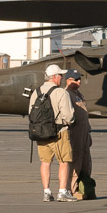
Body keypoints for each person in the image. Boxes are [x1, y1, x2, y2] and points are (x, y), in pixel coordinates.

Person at [31, 63, 76, 202]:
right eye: (60, 75)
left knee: (45, 162)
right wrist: (70, 122)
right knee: (64, 161)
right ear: (54, 77)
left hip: (41, 133)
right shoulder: (61, 92)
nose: (62, 78)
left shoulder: (36, 92)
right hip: (59, 132)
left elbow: (31, 112)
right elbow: (68, 115)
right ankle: (62, 192)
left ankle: (46, 191)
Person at [64, 69, 96, 200]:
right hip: (75, 133)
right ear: (68, 80)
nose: (79, 82)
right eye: (76, 79)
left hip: (84, 133)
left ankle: (86, 187)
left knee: (86, 162)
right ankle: (72, 190)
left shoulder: (78, 94)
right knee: (75, 162)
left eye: (79, 79)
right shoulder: (66, 94)